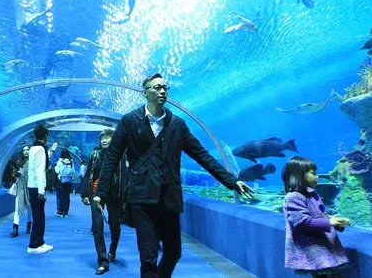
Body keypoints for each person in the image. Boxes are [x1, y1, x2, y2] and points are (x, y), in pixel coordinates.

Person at [94, 73, 254, 278]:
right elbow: (112, 158)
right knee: (148, 256)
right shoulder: (129, 121)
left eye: (165, 88)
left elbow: (202, 155)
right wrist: (101, 192)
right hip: (141, 197)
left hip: (169, 197)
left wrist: (232, 181)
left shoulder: (177, 124)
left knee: (173, 252)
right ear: (145, 93)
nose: (162, 91)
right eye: (156, 88)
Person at [282, 156, 350, 277]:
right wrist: (330, 222)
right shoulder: (293, 197)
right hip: (313, 247)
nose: (317, 176)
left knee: (332, 274)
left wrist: (337, 223)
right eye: (313, 173)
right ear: (300, 176)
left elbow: (320, 217)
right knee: (326, 274)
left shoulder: (311, 194)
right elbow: (303, 222)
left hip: (322, 245)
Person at [81, 129, 127, 275]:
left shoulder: (120, 155)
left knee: (115, 225)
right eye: (102, 138)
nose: (104, 140)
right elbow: (89, 173)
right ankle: (102, 261)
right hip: (96, 193)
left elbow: (124, 176)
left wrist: (125, 196)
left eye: (107, 137)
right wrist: (84, 194)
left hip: (115, 193)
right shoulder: (94, 155)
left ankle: (113, 249)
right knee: (97, 226)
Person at [27, 124, 57, 254]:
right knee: (38, 216)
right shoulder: (40, 149)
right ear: (46, 136)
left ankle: (40, 241)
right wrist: (41, 191)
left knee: (39, 215)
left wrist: (51, 152)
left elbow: (39, 163)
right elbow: (39, 170)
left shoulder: (34, 148)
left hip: (32, 185)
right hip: (37, 187)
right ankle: (33, 245)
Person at [10, 145, 32, 238]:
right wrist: (16, 174)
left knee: (29, 208)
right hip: (20, 187)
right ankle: (15, 228)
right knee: (17, 207)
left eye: (27, 150)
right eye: (24, 150)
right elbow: (14, 174)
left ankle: (29, 225)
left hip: (29, 187)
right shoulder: (19, 162)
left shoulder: (33, 162)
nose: (26, 151)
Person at [55, 148, 75, 217]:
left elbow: (57, 171)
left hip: (61, 181)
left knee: (61, 196)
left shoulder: (60, 161)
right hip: (68, 181)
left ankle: (61, 211)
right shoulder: (71, 161)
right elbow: (73, 171)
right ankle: (66, 212)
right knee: (67, 196)